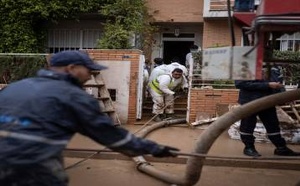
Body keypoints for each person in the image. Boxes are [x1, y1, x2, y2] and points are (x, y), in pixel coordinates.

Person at [0, 50, 179, 186]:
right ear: (71, 69)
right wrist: (154, 148)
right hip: (31, 170)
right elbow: (112, 137)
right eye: (88, 70)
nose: (90, 75)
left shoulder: (16, 87)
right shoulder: (74, 97)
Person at [235, 77, 300, 157]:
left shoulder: (273, 67)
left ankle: (281, 148)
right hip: (250, 101)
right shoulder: (246, 66)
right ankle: (249, 147)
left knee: (273, 125)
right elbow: (240, 84)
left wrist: (285, 96)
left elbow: (278, 85)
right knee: (247, 125)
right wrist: (267, 85)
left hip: (268, 101)